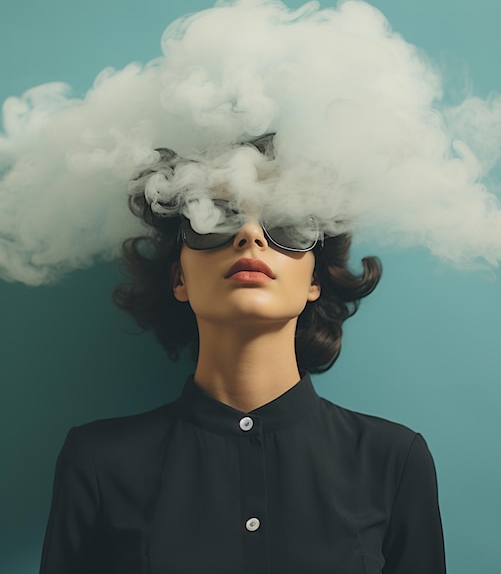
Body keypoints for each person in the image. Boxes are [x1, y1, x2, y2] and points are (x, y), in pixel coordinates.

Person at [39, 135, 446, 574]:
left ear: (315, 281)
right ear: (179, 278)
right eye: (216, 217)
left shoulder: (394, 459)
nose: (251, 236)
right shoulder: (98, 460)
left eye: (286, 223)